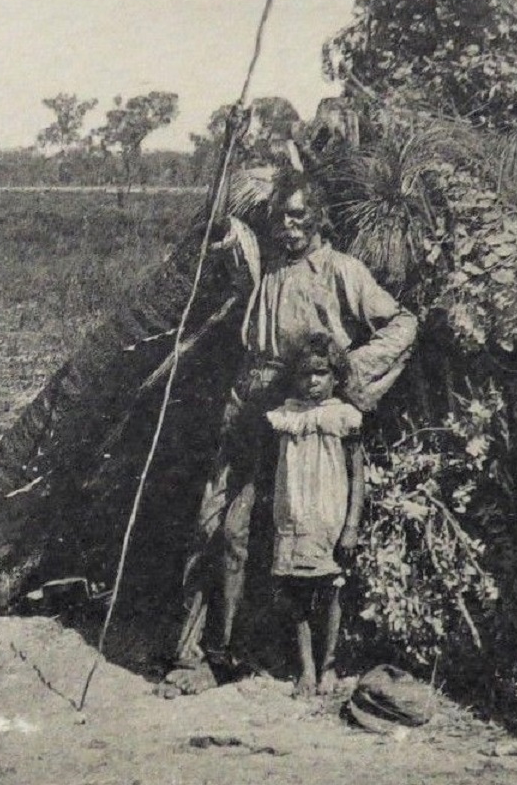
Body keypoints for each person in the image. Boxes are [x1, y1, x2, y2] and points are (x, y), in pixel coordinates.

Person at [162, 168, 417, 696]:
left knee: (273, 534)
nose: (290, 226)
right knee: (215, 527)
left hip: (304, 423)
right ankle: (203, 653)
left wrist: (350, 372)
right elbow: (216, 230)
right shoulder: (265, 271)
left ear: (319, 218)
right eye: (282, 216)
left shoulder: (342, 271)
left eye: (300, 215)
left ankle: (267, 656)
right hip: (248, 411)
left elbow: (403, 323)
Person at [266, 333, 364, 697]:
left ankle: (330, 666)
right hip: (293, 514)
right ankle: (306, 667)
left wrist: (351, 525)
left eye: (321, 373)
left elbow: (358, 475)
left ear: (335, 376)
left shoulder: (343, 417)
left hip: (329, 516)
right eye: (306, 374)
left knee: (331, 592)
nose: (313, 381)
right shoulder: (287, 416)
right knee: (296, 592)